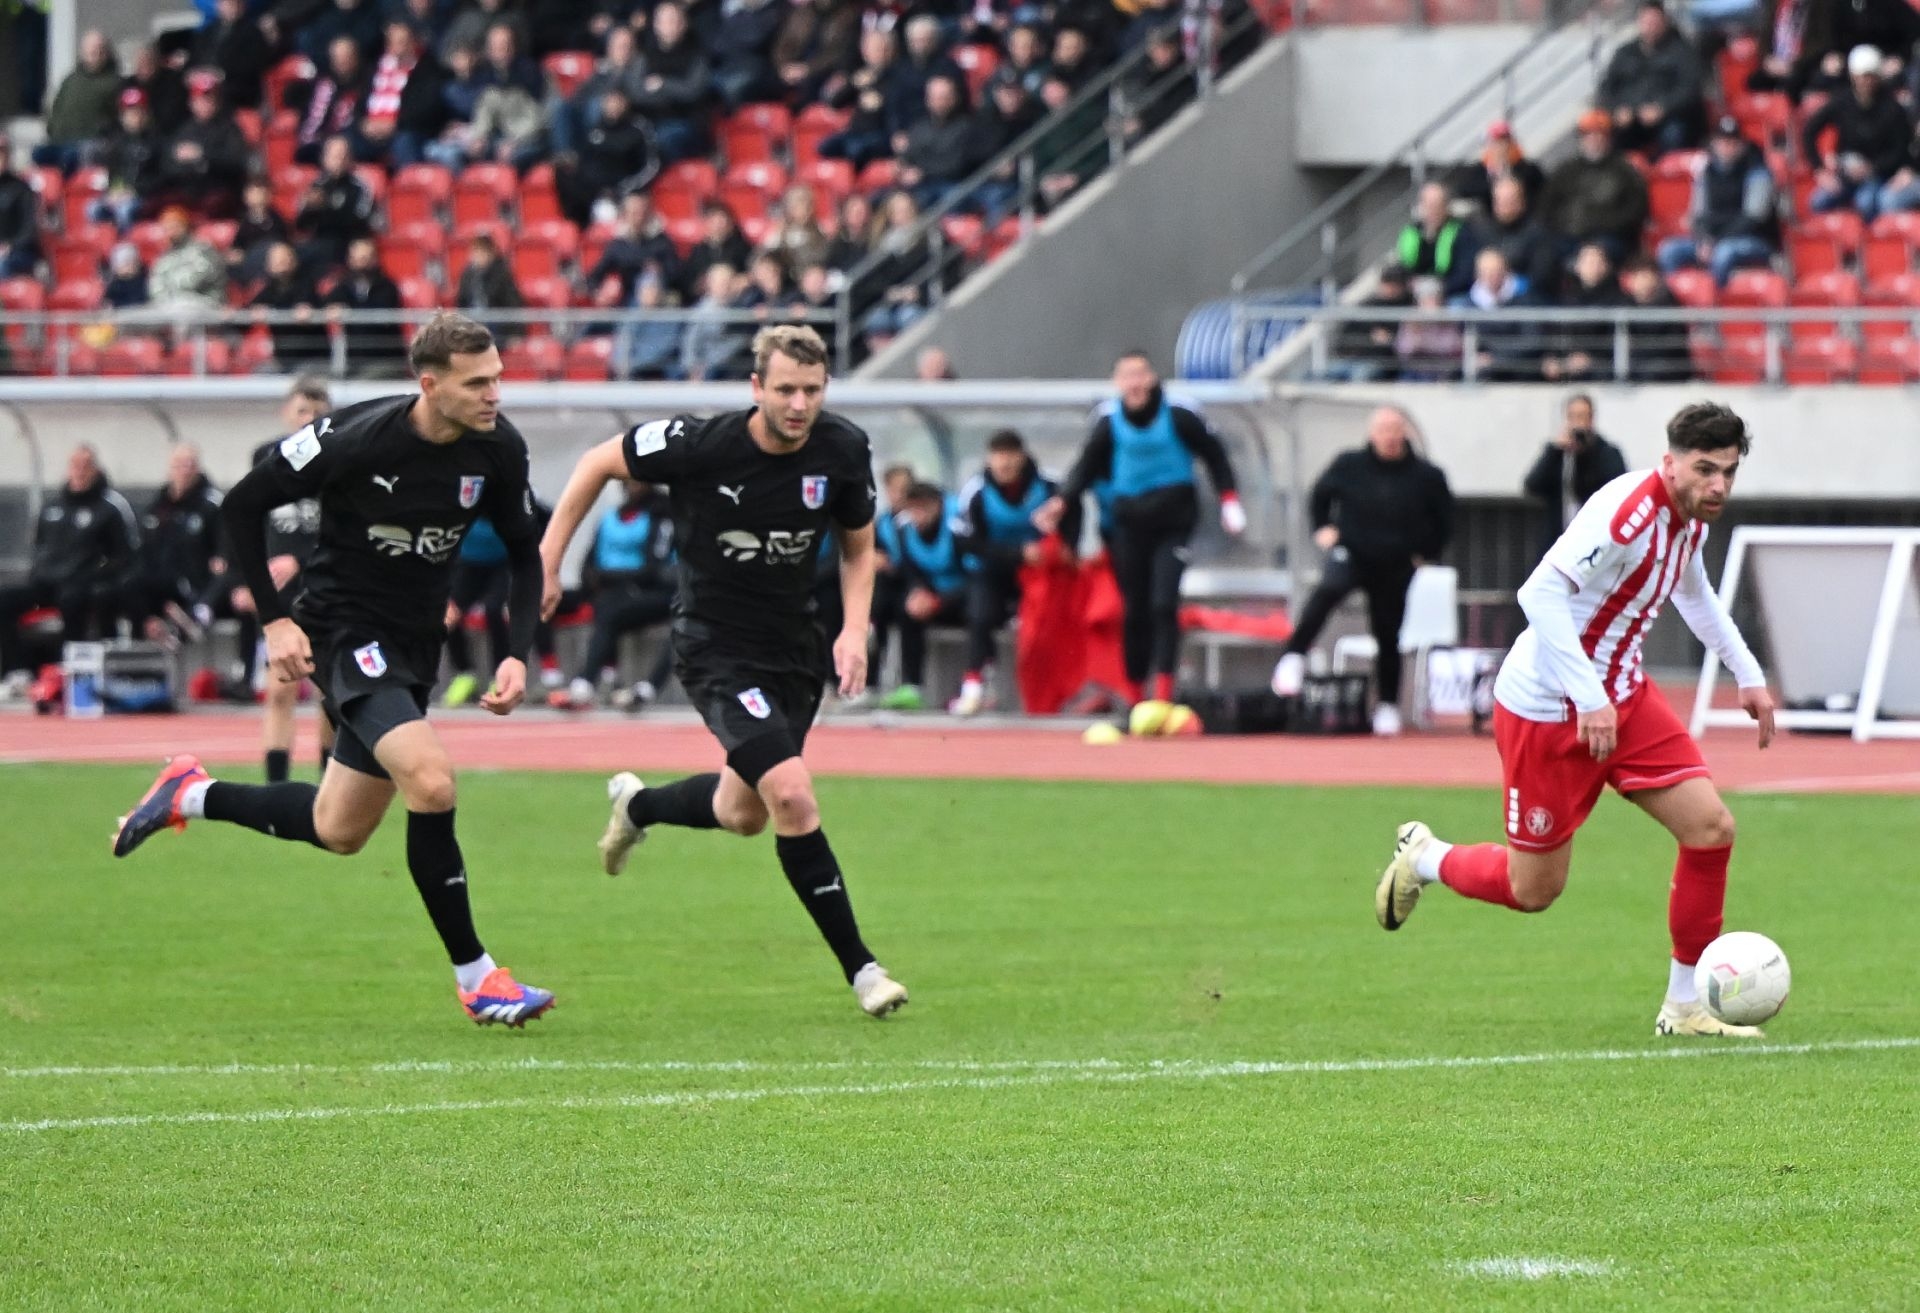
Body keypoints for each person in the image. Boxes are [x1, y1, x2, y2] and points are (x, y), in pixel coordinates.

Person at [110, 314, 555, 1029]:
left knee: (339, 827)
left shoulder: (498, 448)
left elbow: (525, 555)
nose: (494, 394)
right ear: (429, 384)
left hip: (413, 644)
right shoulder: (354, 437)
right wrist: (274, 620)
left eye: (497, 378)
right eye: (477, 383)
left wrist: (516, 650)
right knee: (432, 781)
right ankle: (478, 978)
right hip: (345, 631)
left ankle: (191, 793)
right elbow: (243, 505)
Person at [538, 324, 909, 1019]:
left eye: (812, 390)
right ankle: (864, 970)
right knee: (793, 797)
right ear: (756, 387)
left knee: (744, 814)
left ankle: (637, 806)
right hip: (716, 647)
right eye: (786, 389)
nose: (799, 404)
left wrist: (854, 630)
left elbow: (859, 549)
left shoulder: (843, 448)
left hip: (794, 650)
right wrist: (548, 562)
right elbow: (595, 462)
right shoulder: (700, 444)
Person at [1373, 402, 1777, 1039]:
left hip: (1623, 698)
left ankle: (1684, 1006)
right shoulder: (1626, 513)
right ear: (1670, 463)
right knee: (1533, 889)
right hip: (1548, 708)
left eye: (1728, 472)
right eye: (1706, 469)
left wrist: (1747, 673)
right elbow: (1538, 593)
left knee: (1710, 829)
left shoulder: (1689, 521)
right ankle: (1427, 857)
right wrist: (1588, 697)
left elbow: (1695, 595)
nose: (1719, 485)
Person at [1039, 352, 1244, 706]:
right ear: (1117, 382)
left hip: (1173, 522)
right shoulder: (1108, 420)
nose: (1134, 383)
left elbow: (1214, 454)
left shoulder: (1179, 413)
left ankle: (1162, 691)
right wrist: (1062, 502)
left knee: (1163, 603)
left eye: (1140, 374)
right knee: (1134, 609)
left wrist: (1229, 500)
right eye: (1126, 376)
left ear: (1151, 378)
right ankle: (1135, 694)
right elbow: (1086, 465)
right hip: (1129, 525)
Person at [1269, 408, 1454, 737]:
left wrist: (1425, 554)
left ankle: (1387, 705)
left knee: (1388, 632)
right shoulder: (1349, 465)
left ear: (1405, 433)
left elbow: (1445, 520)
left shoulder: (1427, 475)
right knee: (1327, 591)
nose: (1389, 436)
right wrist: (1323, 528)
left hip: (1396, 562)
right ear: (1372, 433)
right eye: (1383, 429)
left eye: (1395, 429)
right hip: (1353, 553)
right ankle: (1293, 656)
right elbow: (1319, 496)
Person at [235, 378, 338, 782]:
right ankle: (276, 785)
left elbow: (344, 529)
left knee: (329, 692)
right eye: (302, 411)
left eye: (317, 413)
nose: (308, 419)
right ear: (286, 414)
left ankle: (330, 783)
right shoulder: (267, 457)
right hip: (280, 595)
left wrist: (299, 558)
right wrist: (247, 577)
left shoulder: (338, 458)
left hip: (325, 586)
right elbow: (247, 519)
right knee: (280, 687)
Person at [948, 430, 1075, 717]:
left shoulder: (1049, 485)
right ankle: (974, 686)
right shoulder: (976, 492)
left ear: (1022, 457)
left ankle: (1060, 689)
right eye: (997, 456)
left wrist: (1067, 547)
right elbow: (967, 541)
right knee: (980, 615)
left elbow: (1072, 512)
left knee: (1054, 621)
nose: (1003, 463)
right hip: (991, 571)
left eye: (1009, 456)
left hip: (1038, 574)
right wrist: (1017, 553)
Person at [0, 445, 140, 679]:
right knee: (5, 599)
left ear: (96, 470)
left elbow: (124, 556)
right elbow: (40, 546)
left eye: (86, 466)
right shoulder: (53, 507)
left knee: (73, 600)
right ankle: (17, 671)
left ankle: (70, 670)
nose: (80, 471)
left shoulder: (110, 508)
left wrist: (97, 574)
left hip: (84, 585)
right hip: (47, 584)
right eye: (75, 466)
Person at [550, 480, 678, 709]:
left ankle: (596, 684)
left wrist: (607, 578)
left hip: (653, 593)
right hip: (609, 591)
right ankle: (553, 678)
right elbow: (588, 563)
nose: (633, 486)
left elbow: (653, 570)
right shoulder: (609, 518)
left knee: (612, 610)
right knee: (543, 604)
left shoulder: (662, 516)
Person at [1655, 116, 1779, 287]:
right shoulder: (1707, 172)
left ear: (1742, 145)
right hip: (1712, 238)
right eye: (1723, 142)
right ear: (1714, 143)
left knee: (1724, 253)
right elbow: (1698, 214)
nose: (1727, 147)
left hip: (1753, 238)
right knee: (1669, 251)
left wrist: (1716, 242)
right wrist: (1704, 240)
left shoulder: (1757, 171)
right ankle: (1673, 298)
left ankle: (1715, 300)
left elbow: (1754, 217)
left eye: (1732, 142)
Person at [123, 444, 224, 647]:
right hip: (163, 583)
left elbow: (224, 551)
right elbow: (144, 552)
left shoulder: (211, 505)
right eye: (178, 465)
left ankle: (187, 625)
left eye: (189, 465)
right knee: (130, 583)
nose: (184, 471)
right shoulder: (157, 507)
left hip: (195, 582)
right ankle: (144, 636)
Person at [885, 480, 969, 712]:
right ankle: (912, 685)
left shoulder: (959, 526)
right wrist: (917, 592)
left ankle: (972, 686)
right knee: (906, 609)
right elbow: (910, 570)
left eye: (923, 509)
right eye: (913, 509)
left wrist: (941, 601)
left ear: (938, 506)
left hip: (962, 596)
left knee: (980, 609)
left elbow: (977, 575)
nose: (918, 516)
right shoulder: (903, 529)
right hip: (932, 597)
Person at [1522, 394, 1628, 556]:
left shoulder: (1607, 453)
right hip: (1560, 541)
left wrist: (1587, 451)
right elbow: (1532, 485)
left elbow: (1618, 489)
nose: (1578, 423)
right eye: (1572, 417)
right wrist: (1554, 451)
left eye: (1582, 417)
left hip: (1596, 542)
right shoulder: (1558, 454)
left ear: (1591, 420)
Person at [1597, 1, 1705, 157]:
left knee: (1673, 134)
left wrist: (1662, 108)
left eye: (1654, 22)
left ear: (1664, 22)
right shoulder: (1625, 53)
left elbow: (1690, 89)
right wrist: (1616, 109)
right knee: (1606, 136)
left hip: (1670, 117)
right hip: (1631, 119)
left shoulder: (1682, 52)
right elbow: (1606, 87)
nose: (1650, 26)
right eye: (1646, 21)